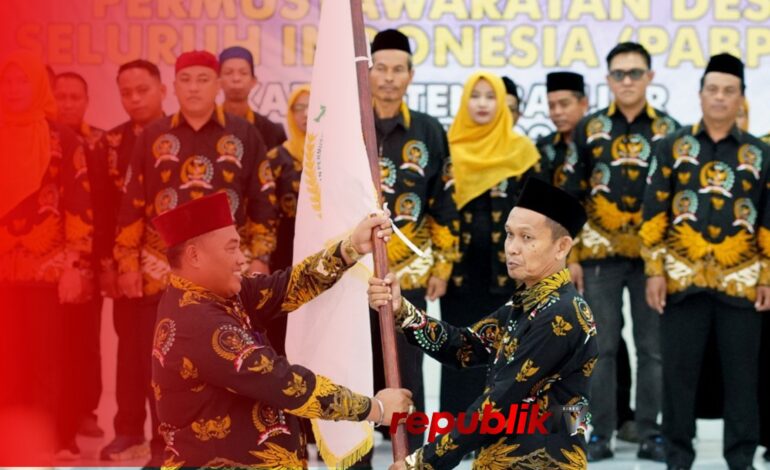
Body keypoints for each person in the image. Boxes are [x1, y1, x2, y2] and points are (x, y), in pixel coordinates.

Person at [150, 192, 412, 467]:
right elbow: (282, 382)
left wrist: (352, 247)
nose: (242, 259)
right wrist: (375, 409)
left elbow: (287, 287)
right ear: (194, 256)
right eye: (231, 249)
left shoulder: (219, 294)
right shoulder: (196, 322)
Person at [112, 50, 278, 466]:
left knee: (229, 361)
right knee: (163, 363)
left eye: (203, 79)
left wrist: (259, 258)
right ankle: (163, 450)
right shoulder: (152, 135)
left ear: (217, 84)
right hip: (161, 269)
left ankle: (226, 451)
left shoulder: (244, 134)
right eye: (186, 80)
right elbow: (132, 202)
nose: (194, 88)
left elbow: (263, 202)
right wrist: (127, 262)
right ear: (174, 86)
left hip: (227, 272)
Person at [369, 178, 597, 469]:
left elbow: (498, 404)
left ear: (562, 246)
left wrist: (422, 462)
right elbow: (463, 346)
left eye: (527, 238)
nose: (512, 248)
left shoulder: (561, 314)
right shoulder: (527, 304)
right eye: (509, 235)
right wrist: (401, 310)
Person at [640, 53, 770, 470]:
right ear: (700, 95)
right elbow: (654, 214)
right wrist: (654, 271)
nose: (719, 97)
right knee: (678, 375)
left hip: (742, 282)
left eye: (729, 91)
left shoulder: (760, 153)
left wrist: (767, 275)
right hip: (682, 281)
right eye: (712, 89)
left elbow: (767, 218)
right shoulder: (671, 147)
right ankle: (678, 455)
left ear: (741, 98)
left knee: (742, 376)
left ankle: (741, 457)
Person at [563, 42, 680, 462]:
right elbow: (572, 194)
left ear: (650, 77)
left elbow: (677, 200)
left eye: (635, 73)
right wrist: (571, 256)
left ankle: (650, 432)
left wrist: (668, 261)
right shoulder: (589, 128)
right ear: (608, 79)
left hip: (652, 260)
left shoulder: (671, 130)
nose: (627, 81)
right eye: (619, 74)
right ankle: (600, 434)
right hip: (599, 255)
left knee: (653, 348)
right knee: (601, 347)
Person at [367, 28, 460, 452]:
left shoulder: (428, 129)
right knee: (356, 360)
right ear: (368, 72)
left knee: (409, 365)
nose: (389, 77)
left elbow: (444, 202)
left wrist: (443, 264)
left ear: (410, 75)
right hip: (354, 269)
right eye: (381, 68)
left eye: (398, 69)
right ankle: (358, 453)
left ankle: (413, 450)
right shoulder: (349, 126)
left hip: (411, 271)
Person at [0, 51, 93, 459]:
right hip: (3, 271)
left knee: (46, 360)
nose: (13, 90)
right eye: (7, 82)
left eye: (23, 81)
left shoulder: (62, 139)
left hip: (46, 270)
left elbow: (79, 204)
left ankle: (48, 442)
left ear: (39, 86)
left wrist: (75, 264)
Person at [439, 71, 544, 420]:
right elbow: (438, 210)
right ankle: (456, 432)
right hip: (459, 273)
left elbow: (540, 216)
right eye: (476, 95)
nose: (482, 104)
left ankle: (503, 433)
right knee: (458, 352)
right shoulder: (449, 149)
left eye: (490, 97)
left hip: (512, 272)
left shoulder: (522, 152)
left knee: (509, 357)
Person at [98, 59, 167, 462]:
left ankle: (165, 435)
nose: (135, 99)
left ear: (162, 90)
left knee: (167, 356)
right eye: (126, 92)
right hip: (126, 265)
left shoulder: (178, 136)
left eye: (143, 90)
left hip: (171, 267)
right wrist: (111, 266)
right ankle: (127, 429)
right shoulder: (110, 144)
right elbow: (103, 210)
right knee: (129, 353)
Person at [52, 70, 106, 446]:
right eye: (61, 96)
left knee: (86, 340)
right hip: (46, 260)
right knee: (51, 341)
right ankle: (53, 413)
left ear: (87, 101)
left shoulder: (101, 142)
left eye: (76, 97)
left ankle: (86, 410)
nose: (68, 104)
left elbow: (108, 202)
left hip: (91, 257)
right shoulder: (42, 140)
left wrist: (103, 260)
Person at [261, 84, 309, 358]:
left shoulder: (332, 156)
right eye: (299, 108)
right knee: (284, 315)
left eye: (312, 106)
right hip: (285, 249)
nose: (306, 114)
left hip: (323, 244)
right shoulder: (276, 158)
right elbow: (265, 208)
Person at [219, 46, 287, 152]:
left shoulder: (272, 131)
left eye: (243, 73)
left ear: (253, 81)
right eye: (228, 73)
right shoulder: (205, 125)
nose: (236, 78)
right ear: (218, 81)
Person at [536, 72, 588, 189]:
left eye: (564, 104)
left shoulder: (597, 143)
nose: (557, 112)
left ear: (584, 104)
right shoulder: (543, 147)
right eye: (551, 106)